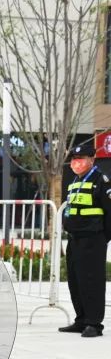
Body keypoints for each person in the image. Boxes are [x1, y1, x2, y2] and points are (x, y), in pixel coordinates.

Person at [58, 142, 111, 338]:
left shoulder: (101, 180)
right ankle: (81, 319)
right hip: (75, 238)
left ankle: (94, 323)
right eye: (74, 160)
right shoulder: (74, 181)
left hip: (93, 239)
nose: (76, 163)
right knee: (76, 280)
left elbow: (109, 212)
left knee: (92, 281)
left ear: (91, 160)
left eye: (80, 159)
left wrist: (104, 237)